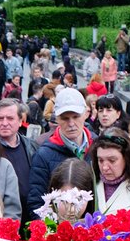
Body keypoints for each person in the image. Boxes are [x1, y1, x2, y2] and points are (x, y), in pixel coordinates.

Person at [27, 88, 92, 217]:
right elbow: (36, 204)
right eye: (65, 118)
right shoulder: (43, 155)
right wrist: (53, 233)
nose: (71, 123)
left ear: (86, 113)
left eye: (75, 116)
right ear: (56, 118)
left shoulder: (98, 147)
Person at [0, 99, 36, 225]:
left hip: (30, 219)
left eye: (10, 118)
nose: (5, 123)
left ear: (20, 121)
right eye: (0, 118)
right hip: (3, 221)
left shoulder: (32, 146)